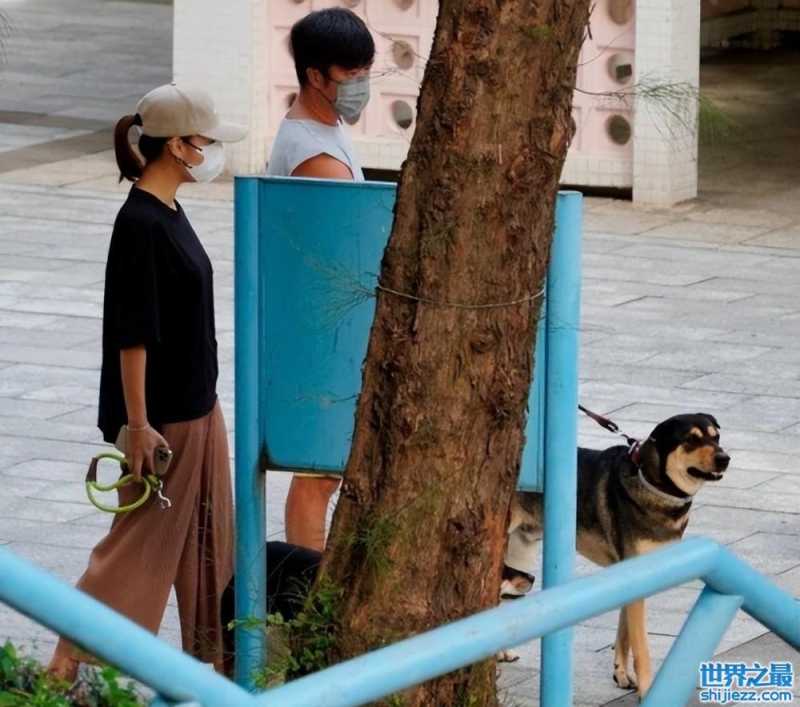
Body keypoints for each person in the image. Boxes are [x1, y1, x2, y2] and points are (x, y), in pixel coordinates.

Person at [48, 83, 245, 680]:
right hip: (166, 420)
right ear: (177, 146)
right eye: (204, 142)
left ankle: (219, 666)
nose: (210, 153)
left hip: (198, 407)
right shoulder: (140, 222)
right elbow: (131, 335)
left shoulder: (170, 211)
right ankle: (64, 665)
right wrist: (137, 426)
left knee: (210, 546)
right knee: (136, 550)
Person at [267, 8, 375, 552]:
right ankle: (306, 586)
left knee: (326, 471)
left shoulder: (324, 132)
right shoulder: (314, 155)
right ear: (315, 75)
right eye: (350, 75)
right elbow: (346, 248)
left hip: (330, 326)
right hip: (324, 333)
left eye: (366, 72)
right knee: (318, 473)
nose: (361, 86)